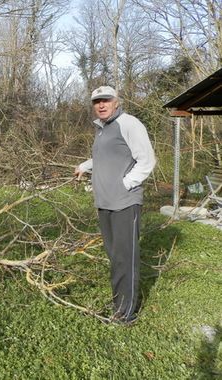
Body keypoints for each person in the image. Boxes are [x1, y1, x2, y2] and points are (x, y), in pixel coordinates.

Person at [74, 85, 156, 325]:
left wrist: (126, 184)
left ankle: (125, 313)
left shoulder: (129, 124)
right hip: (105, 202)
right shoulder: (102, 129)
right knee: (114, 255)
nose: (101, 105)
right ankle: (118, 304)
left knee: (124, 257)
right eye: (97, 101)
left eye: (106, 100)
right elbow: (103, 158)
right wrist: (84, 166)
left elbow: (147, 160)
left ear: (116, 101)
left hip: (124, 203)